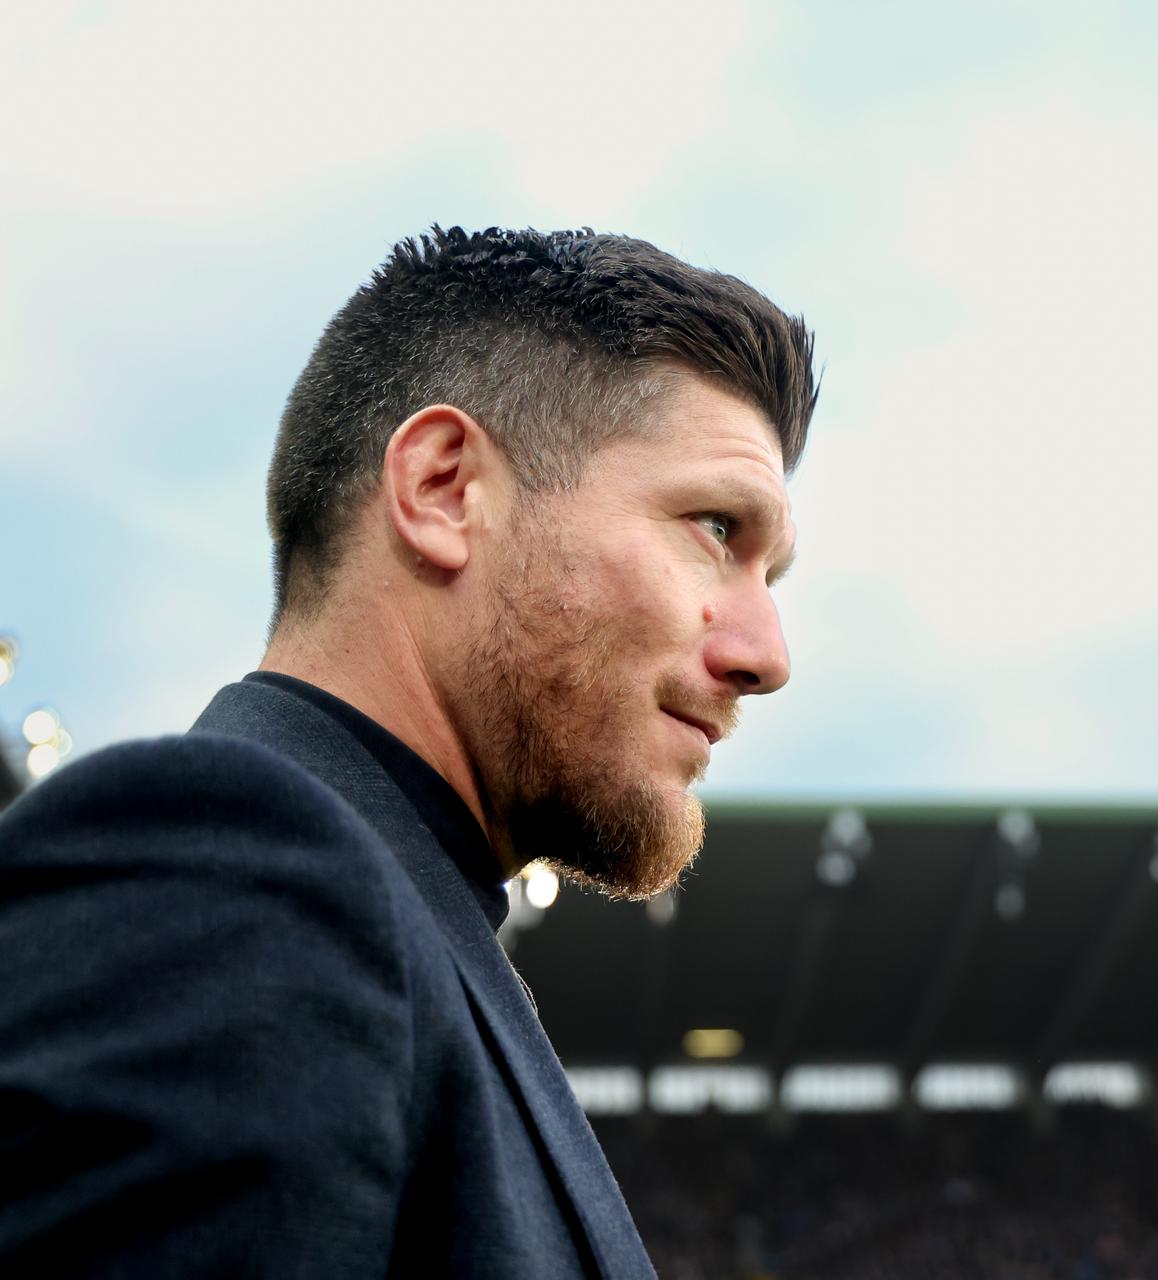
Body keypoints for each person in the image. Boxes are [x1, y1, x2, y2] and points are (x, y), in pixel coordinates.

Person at [0, 226, 816, 1277]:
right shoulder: (236, 875)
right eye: (715, 527)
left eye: (773, 574)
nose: (767, 654)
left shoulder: (401, 922)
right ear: (443, 489)